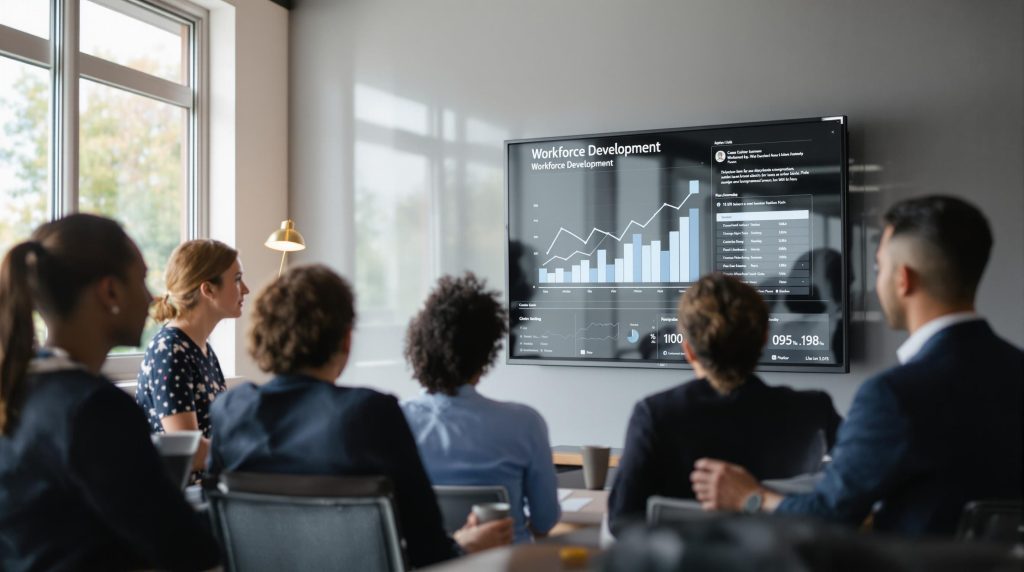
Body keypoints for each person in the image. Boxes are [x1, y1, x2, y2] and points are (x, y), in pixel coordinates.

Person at [691, 196, 1024, 537]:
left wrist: (750, 498)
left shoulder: (894, 396)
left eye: (878, 269)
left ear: (903, 280)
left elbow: (829, 514)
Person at [207, 265, 513, 568]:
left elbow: (215, 528)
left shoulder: (231, 411)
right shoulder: (369, 414)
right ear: (345, 341)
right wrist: (464, 544)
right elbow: (428, 551)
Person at [0, 214, 219, 570]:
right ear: (110, 291)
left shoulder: (18, 388)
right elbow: (184, 548)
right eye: (142, 279)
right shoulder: (95, 409)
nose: (151, 298)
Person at [608, 272, 841, 537]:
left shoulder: (655, 415)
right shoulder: (814, 411)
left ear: (688, 350)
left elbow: (621, 522)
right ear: (764, 338)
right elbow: (849, 497)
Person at [400, 273, 561, 543]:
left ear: (420, 346)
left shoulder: (395, 422)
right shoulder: (525, 423)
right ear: (486, 354)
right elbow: (545, 521)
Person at [135, 239, 248, 477]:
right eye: (237, 280)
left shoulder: (202, 349)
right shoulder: (170, 350)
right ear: (208, 289)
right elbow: (190, 452)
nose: (245, 289)